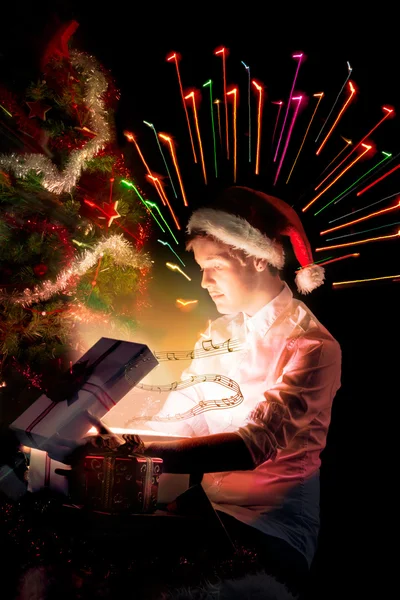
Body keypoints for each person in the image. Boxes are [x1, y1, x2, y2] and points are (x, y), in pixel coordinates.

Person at [85, 186, 341, 594]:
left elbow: (251, 446)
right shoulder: (218, 332)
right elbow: (180, 416)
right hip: (202, 512)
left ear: (258, 258)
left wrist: (136, 453)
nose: (203, 282)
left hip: (271, 533)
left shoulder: (314, 347)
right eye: (201, 266)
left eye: (215, 266)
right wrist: (116, 432)